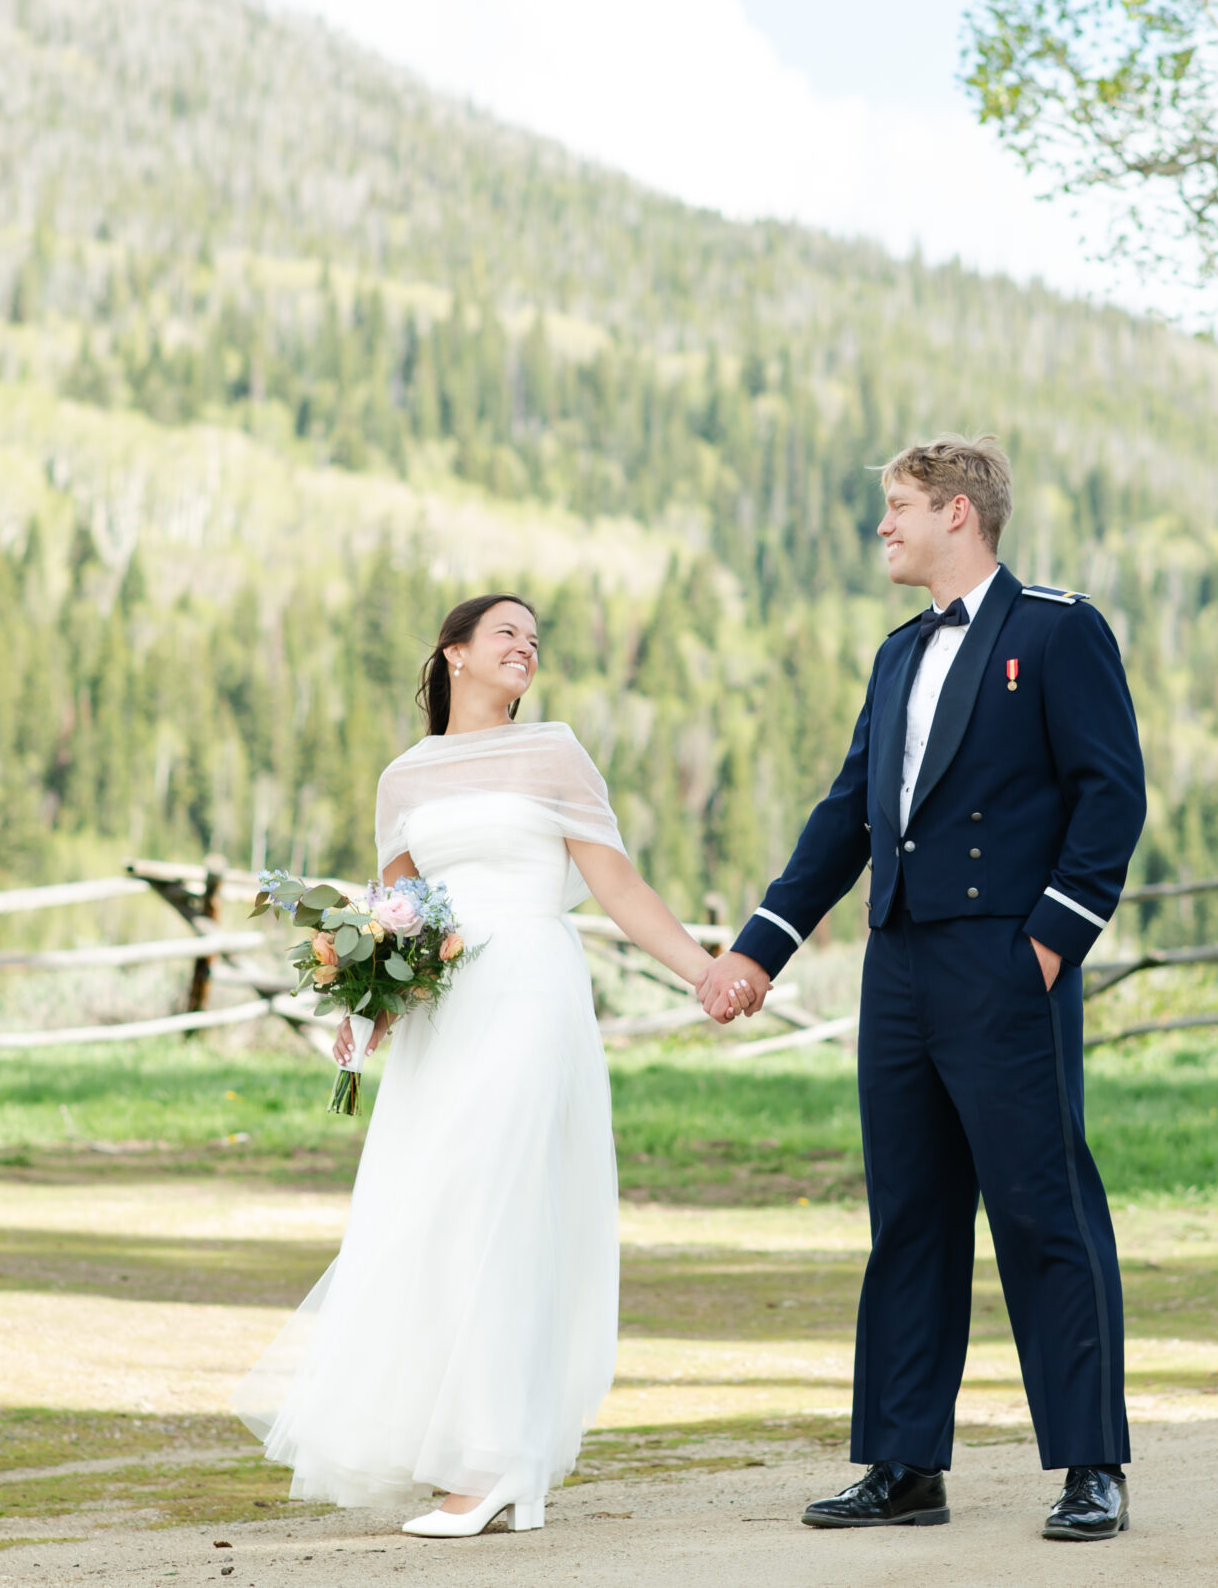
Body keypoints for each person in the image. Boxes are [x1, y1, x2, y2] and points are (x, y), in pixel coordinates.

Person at [696, 434, 1148, 1543]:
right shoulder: (897, 652)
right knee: (909, 1215)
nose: (883, 526)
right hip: (898, 964)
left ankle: (1091, 1464)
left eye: (897, 506)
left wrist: (1048, 942)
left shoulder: (1055, 627)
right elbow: (848, 811)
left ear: (957, 510)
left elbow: (1110, 794)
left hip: (1006, 961)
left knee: (1045, 1214)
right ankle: (905, 1462)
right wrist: (762, 944)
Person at [232, 593, 715, 1539]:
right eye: (507, 633)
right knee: (449, 1214)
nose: (526, 646)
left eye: (536, 638)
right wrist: (367, 1017)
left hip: (532, 987)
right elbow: (397, 911)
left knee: (506, 1197)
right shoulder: (403, 777)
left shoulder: (556, 751)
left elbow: (617, 883)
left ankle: (495, 1462)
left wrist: (706, 973)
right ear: (454, 653)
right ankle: (509, 1464)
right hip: (445, 1014)